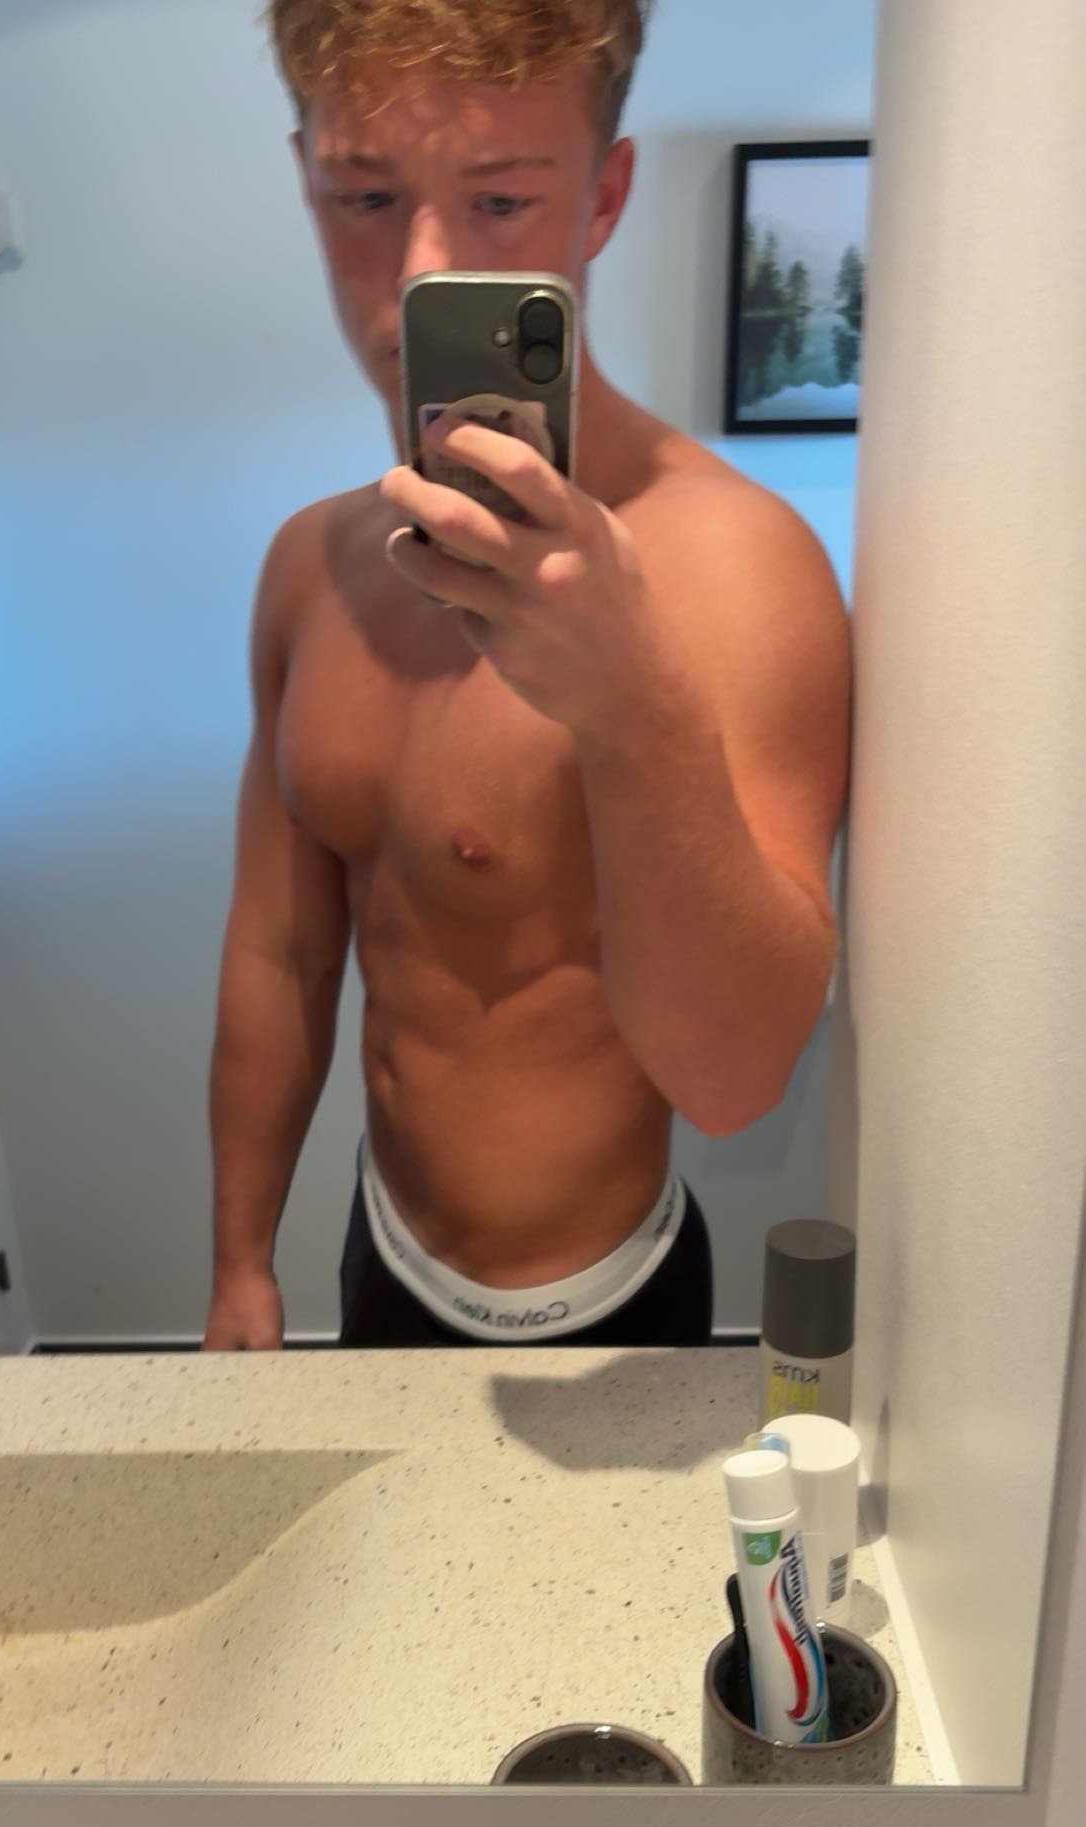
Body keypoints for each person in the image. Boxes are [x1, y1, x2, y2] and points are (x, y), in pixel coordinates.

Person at [203, 0, 851, 1351]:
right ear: (307, 181)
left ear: (602, 197)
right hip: (378, 1251)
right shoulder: (308, 567)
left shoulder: (739, 568)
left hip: (605, 1309)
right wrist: (239, 1263)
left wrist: (633, 707)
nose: (421, 268)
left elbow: (735, 1083)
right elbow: (279, 951)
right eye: (365, 196)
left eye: (500, 201)